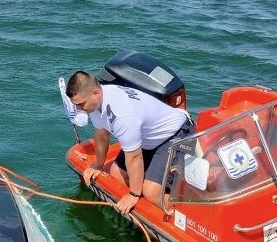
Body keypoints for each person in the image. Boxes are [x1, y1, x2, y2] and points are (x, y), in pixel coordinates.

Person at [66, 71, 194, 214]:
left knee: (151, 191)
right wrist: (98, 165)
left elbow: (134, 157)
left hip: (174, 134)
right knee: (116, 172)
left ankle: (184, 215)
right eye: (76, 105)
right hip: (148, 137)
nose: (79, 109)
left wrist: (134, 194)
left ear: (95, 93)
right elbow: (101, 134)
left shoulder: (122, 114)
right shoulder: (97, 103)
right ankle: (146, 196)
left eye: (81, 104)